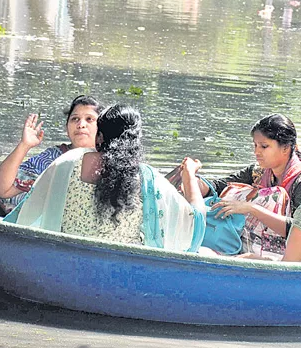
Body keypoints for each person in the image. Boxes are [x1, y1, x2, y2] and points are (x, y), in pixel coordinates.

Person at [14, 104, 206, 252]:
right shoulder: (147, 177)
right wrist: (189, 174)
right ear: (135, 141)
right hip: (123, 269)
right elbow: (196, 223)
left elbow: (27, 211)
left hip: (67, 258)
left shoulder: (67, 163)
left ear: (100, 135)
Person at [182, 114, 301, 255]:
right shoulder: (257, 172)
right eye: (255, 145)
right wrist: (190, 179)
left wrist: (251, 208)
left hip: (286, 256)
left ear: (285, 148)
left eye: (264, 146)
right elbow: (218, 188)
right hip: (249, 247)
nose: (256, 152)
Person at [0, 95, 103, 213]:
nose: (81, 125)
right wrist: (24, 145)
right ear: (66, 129)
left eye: (89, 119)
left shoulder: (113, 159)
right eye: (75, 119)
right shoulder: (52, 158)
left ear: (101, 128)